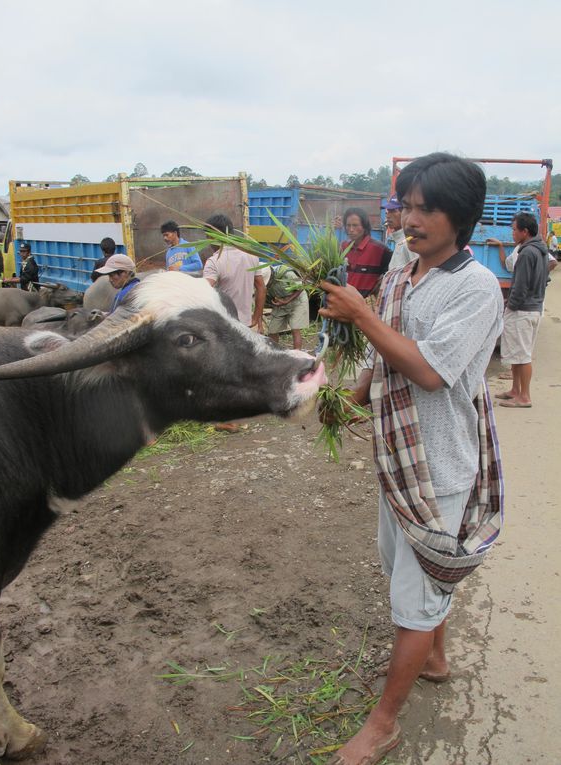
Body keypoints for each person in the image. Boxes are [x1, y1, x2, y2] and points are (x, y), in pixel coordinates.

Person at [319, 152, 504, 765]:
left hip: (439, 467)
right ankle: (438, 657)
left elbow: (426, 370)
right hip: (395, 455)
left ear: (462, 216)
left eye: (427, 208)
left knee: (416, 596)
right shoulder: (406, 273)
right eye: (407, 206)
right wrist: (350, 398)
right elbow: (386, 354)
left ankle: (383, 724)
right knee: (416, 574)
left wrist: (362, 315)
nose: (410, 219)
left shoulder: (475, 288)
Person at [491, 213, 549, 409]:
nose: (513, 233)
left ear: (525, 232)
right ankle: (515, 390)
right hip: (533, 308)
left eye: (515, 230)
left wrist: (510, 306)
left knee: (522, 355)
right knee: (518, 353)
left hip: (523, 310)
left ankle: (524, 396)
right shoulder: (540, 250)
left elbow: (520, 286)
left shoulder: (526, 253)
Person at [203, 213, 266, 331]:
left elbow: (204, 291)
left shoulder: (214, 262)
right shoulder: (251, 257)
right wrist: (256, 317)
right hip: (246, 325)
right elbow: (261, 288)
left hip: (225, 326)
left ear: (213, 236)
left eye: (207, 236)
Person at [341, 208, 391, 297]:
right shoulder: (343, 247)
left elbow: (391, 274)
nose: (351, 229)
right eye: (348, 225)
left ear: (364, 226)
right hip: (343, 302)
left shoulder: (380, 250)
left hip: (365, 306)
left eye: (355, 225)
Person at [267, 263, 309, 350]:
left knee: (295, 329)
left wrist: (286, 301)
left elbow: (301, 286)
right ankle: (274, 353)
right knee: (272, 330)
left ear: (271, 276)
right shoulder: (262, 278)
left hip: (297, 302)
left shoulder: (287, 274)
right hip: (281, 304)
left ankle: (297, 356)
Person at [383, 195, 414, 271]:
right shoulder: (399, 240)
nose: (388, 216)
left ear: (405, 213)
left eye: (393, 211)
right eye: (388, 211)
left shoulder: (409, 241)